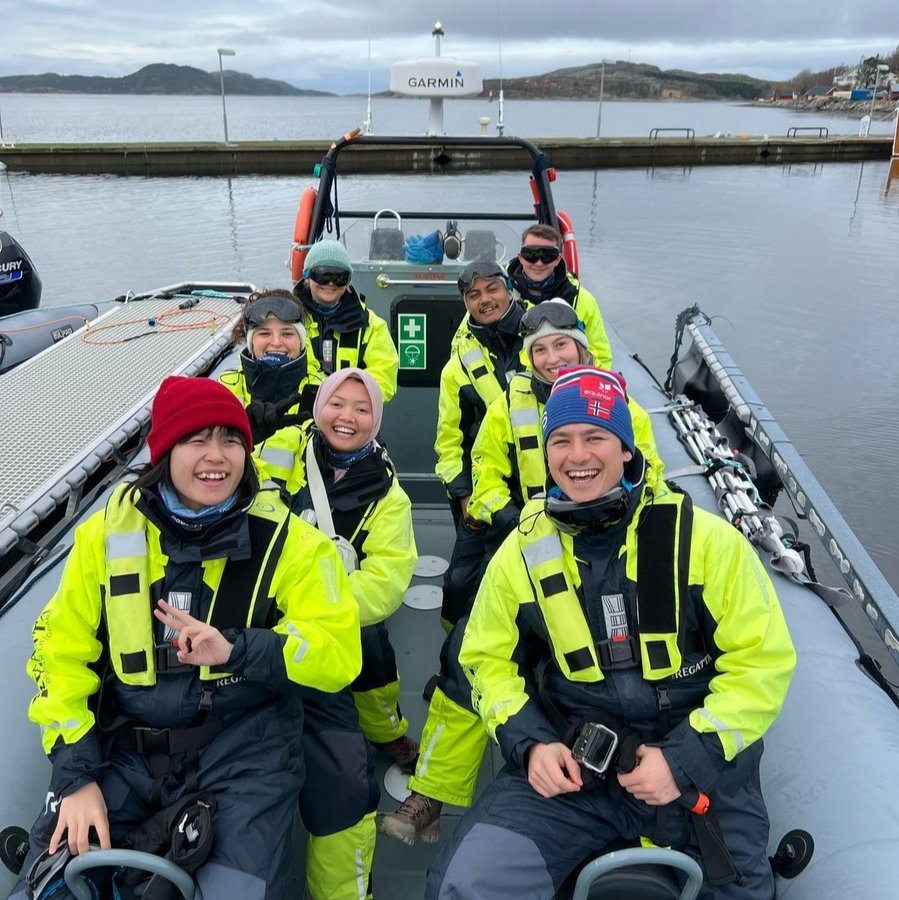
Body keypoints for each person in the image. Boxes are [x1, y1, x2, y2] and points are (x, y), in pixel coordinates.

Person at [426, 366, 797, 900]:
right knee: (465, 885)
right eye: (562, 440)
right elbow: (484, 659)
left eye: (596, 437)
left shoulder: (707, 542)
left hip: (699, 769)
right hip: (574, 769)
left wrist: (683, 760)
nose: (578, 457)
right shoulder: (522, 551)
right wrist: (532, 745)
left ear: (625, 449)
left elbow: (762, 662)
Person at [11, 375, 361, 900]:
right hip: (122, 751)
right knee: (49, 885)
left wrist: (237, 650)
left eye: (230, 440)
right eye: (197, 440)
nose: (215, 457)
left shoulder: (294, 545)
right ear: (164, 451)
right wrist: (75, 778)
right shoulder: (105, 533)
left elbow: (338, 654)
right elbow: (57, 649)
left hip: (246, 752)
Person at [380, 309, 663, 846]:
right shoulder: (506, 407)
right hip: (528, 550)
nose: (553, 359)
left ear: (582, 350)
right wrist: (515, 519)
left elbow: (652, 480)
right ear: (528, 357)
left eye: (564, 347)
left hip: (613, 559)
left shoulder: (623, 408)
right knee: (466, 655)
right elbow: (486, 473)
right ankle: (432, 795)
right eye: (541, 350)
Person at [284, 368, 420, 899]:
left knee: (375, 671)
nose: (347, 417)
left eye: (362, 410)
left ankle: (387, 732)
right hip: (275, 628)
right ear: (318, 409)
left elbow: (385, 585)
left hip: (343, 627)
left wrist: (318, 614)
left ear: (376, 422)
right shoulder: (282, 457)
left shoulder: (390, 498)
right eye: (336, 404)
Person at [434, 259, 528, 629]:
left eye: (492, 289)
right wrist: (465, 500)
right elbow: (448, 444)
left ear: (508, 289)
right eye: (474, 295)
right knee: (459, 588)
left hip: (546, 489)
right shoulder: (457, 368)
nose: (484, 300)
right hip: (483, 496)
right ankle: (457, 657)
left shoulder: (545, 342)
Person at [218, 288, 322, 485]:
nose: (276, 343)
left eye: (287, 333)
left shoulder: (324, 393)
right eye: (264, 333)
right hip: (231, 505)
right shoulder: (224, 388)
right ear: (251, 341)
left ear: (301, 340)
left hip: (295, 512)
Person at [293, 239, 399, 402]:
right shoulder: (289, 320)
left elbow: (385, 376)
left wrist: (342, 401)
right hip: (299, 417)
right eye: (322, 275)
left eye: (340, 277)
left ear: (349, 281)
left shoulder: (371, 325)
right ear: (307, 277)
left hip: (351, 417)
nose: (330, 283)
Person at [507, 223, 613, 368]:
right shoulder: (499, 292)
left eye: (548, 256)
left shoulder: (582, 299)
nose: (538, 262)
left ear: (558, 259)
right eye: (530, 254)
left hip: (567, 382)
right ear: (520, 257)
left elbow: (602, 356)